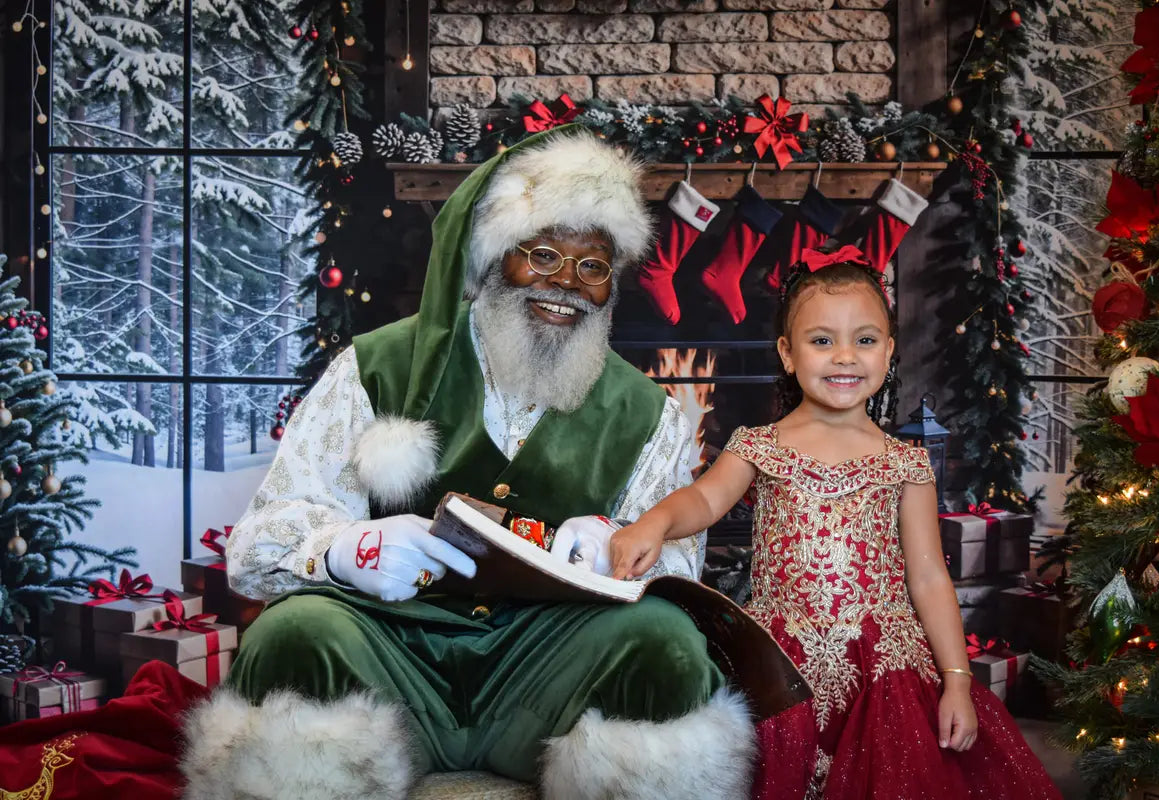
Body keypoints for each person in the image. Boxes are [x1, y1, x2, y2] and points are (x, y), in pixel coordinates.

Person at [179, 128, 758, 800]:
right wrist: (343, 549)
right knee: (294, 631)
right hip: (393, 661)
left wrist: (617, 543)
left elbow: (680, 570)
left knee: (665, 640)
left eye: (592, 267)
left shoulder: (644, 410)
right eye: (542, 255)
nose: (565, 284)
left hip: (548, 673)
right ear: (494, 258)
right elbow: (256, 545)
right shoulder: (376, 367)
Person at [607, 251, 1063, 799]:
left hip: (884, 671)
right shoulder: (760, 445)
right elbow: (704, 501)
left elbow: (928, 579)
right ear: (787, 353)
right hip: (781, 664)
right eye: (822, 340)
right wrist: (654, 522)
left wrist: (958, 681)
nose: (845, 356)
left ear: (889, 351)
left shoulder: (905, 462)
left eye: (865, 340)